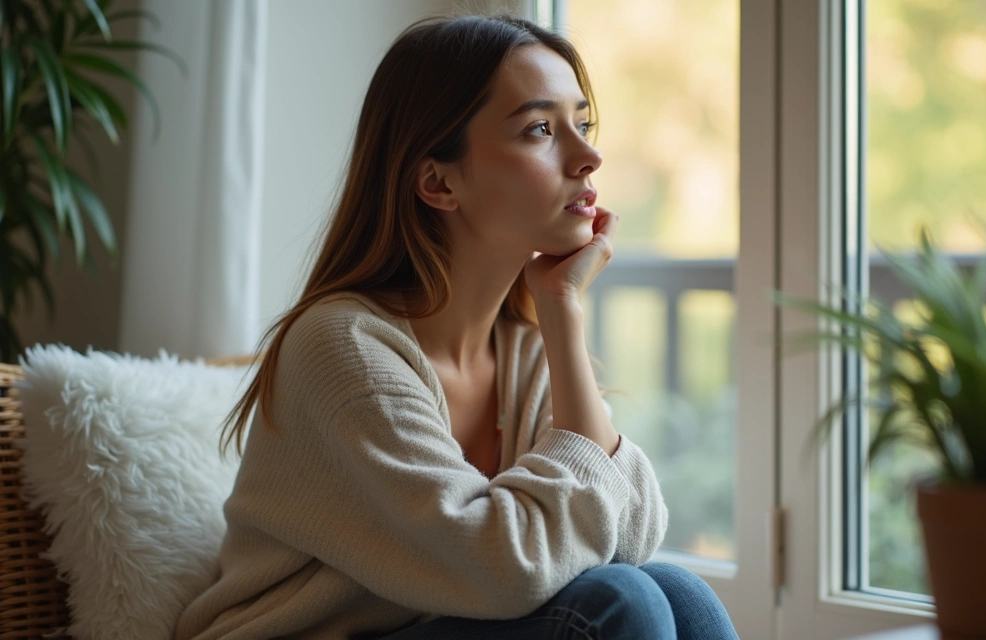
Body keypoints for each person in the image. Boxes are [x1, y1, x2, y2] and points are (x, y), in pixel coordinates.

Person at [173, 13, 739, 640]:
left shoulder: (524, 347)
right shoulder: (344, 348)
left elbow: (633, 533)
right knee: (616, 603)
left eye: (582, 123)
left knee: (678, 592)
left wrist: (561, 315)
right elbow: (503, 572)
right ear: (439, 181)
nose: (588, 156)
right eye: (540, 130)